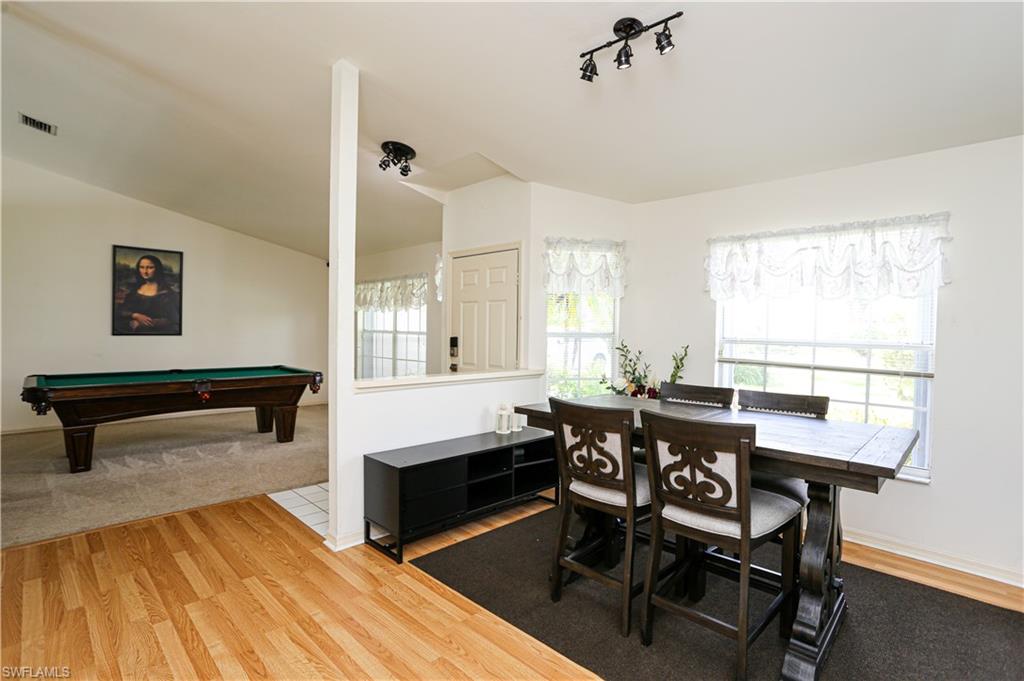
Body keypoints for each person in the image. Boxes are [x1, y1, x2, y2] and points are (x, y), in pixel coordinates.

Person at [114, 254, 181, 333]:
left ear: (158, 269)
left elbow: (174, 320)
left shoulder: (168, 294)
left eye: (150, 267)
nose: (145, 271)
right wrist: (135, 315)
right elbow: (121, 311)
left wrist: (141, 324)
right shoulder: (135, 290)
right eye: (142, 267)